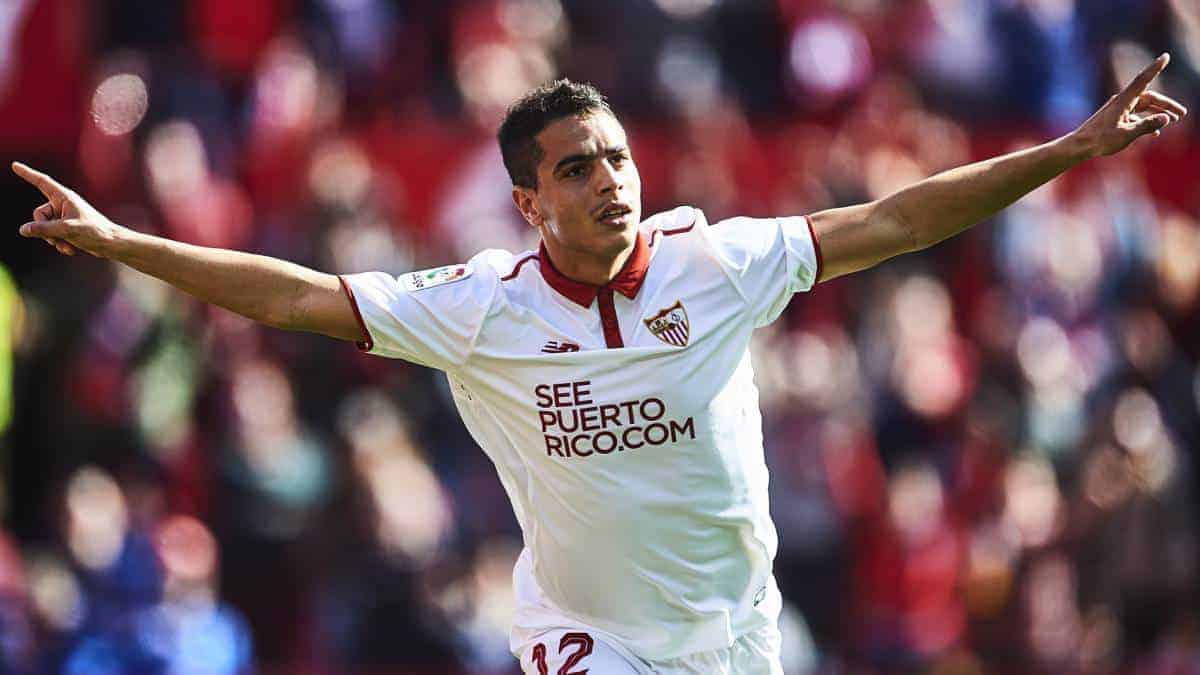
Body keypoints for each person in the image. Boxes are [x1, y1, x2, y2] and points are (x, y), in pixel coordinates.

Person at [14, 54, 1187, 674]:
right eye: (575, 168)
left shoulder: (718, 265)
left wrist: (1072, 149)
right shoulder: (480, 308)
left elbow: (901, 219)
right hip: (589, 637)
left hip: (737, 632)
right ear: (528, 204)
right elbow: (298, 297)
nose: (609, 179)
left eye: (616, 156)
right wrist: (126, 245)